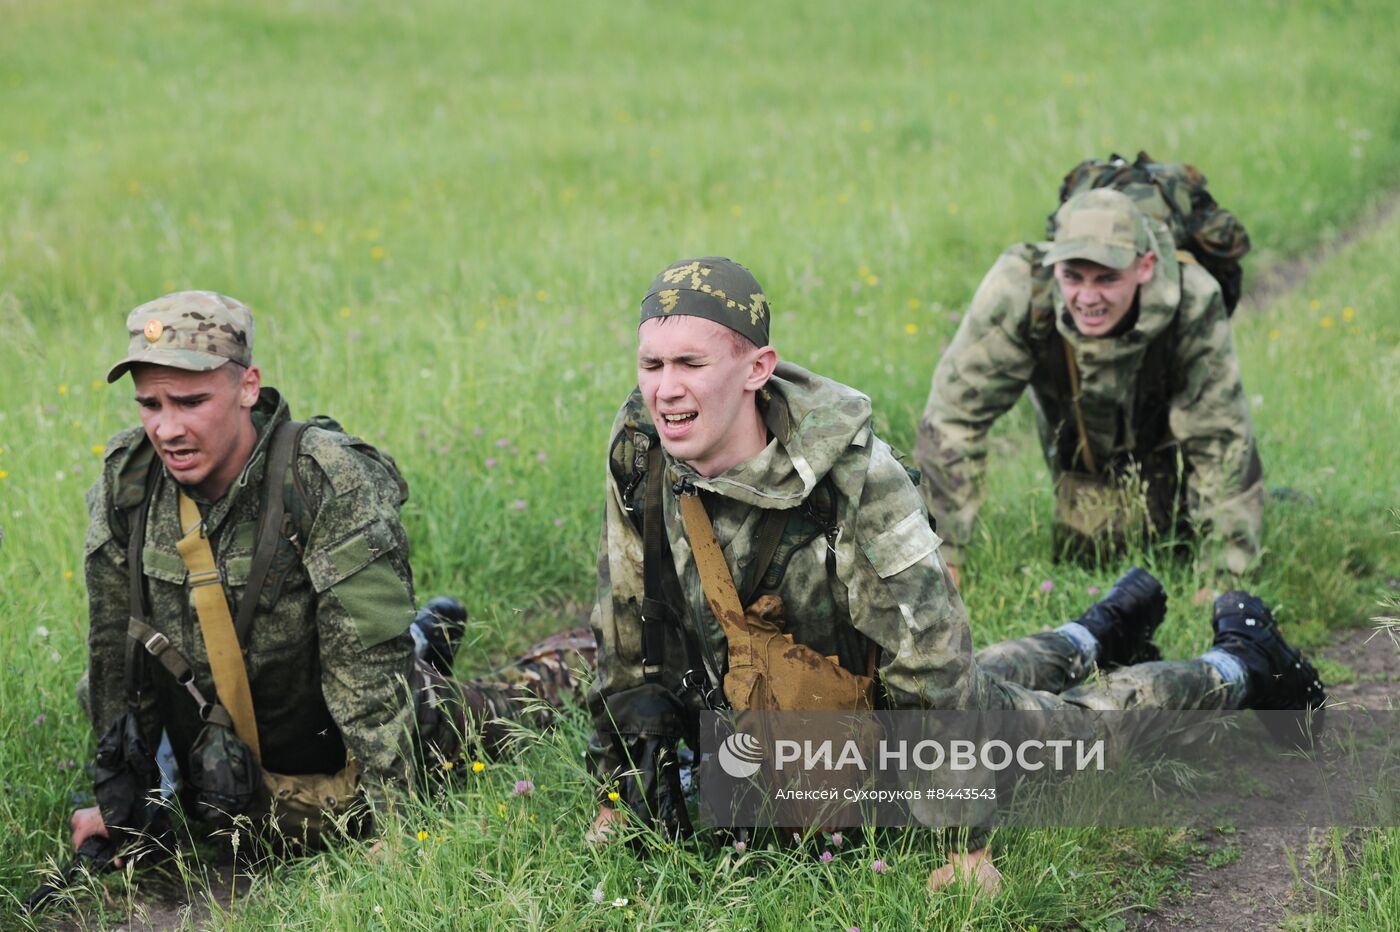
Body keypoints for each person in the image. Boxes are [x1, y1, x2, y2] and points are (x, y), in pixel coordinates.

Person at [583, 257, 1323, 896]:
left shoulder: (854, 480)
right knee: (993, 692)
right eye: (652, 366)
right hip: (780, 724)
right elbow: (622, 623)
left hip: (892, 723)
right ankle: (1096, 629)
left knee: (1081, 732)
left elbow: (931, 659)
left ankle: (1241, 665)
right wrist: (619, 787)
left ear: (757, 369)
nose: (667, 390)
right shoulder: (641, 454)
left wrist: (961, 842)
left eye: (691, 365)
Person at [71, 291, 591, 864]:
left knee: (507, 710)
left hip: (347, 725)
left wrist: (398, 825)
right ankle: (425, 635)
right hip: (226, 745)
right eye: (151, 405)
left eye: (191, 402)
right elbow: (113, 659)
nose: (167, 428)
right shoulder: (131, 483)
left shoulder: (323, 477)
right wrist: (121, 809)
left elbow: (367, 671)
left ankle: (567, 655)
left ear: (248, 388)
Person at [915, 189, 1263, 584]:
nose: (1088, 297)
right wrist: (943, 556)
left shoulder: (1193, 300)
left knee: (1165, 541)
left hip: (1156, 405)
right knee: (1090, 551)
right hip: (1068, 403)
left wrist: (1222, 577)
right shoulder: (1018, 289)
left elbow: (1220, 439)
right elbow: (953, 417)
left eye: (1107, 278)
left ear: (1145, 266)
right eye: (1073, 276)